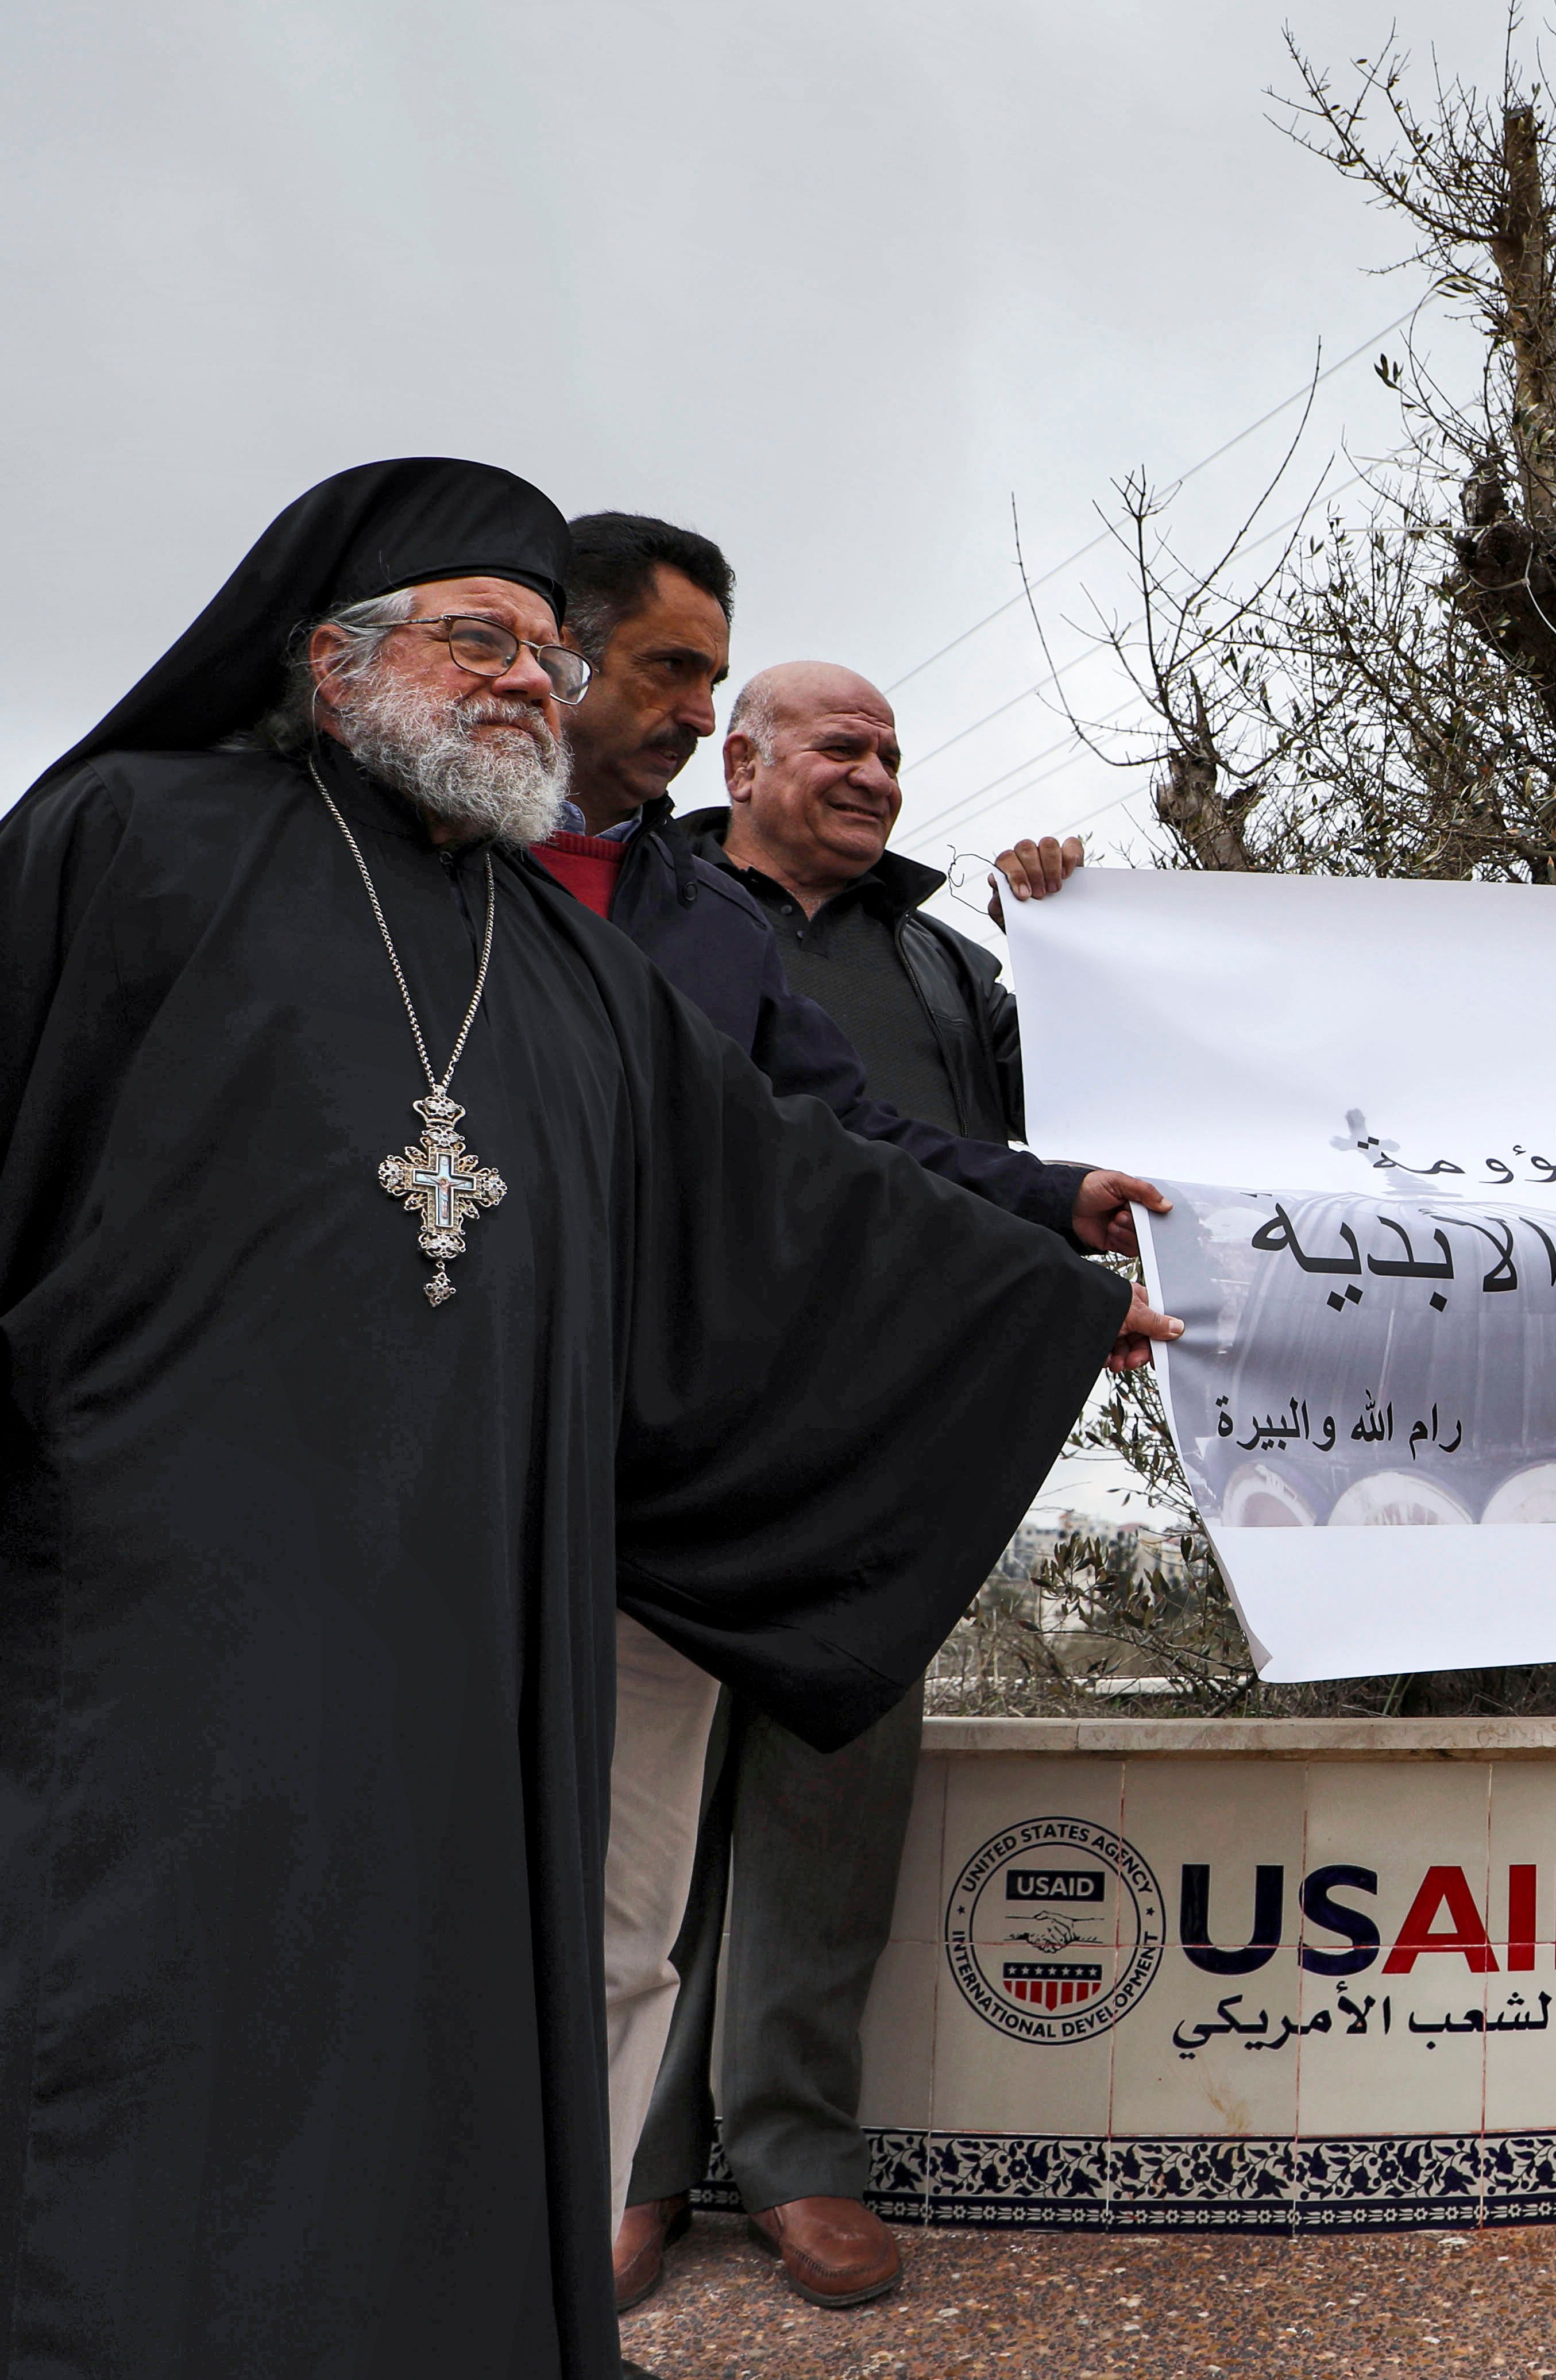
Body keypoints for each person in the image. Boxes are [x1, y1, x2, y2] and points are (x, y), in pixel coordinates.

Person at [0, 458, 1168, 2378]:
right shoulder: (135, 839)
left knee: (453, 2009)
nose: (529, 680)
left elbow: (782, 1180)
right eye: (482, 636)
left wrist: (1039, 1284)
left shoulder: (567, 967)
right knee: (171, 2017)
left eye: (548, 648)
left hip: (478, 1600)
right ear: (328, 656)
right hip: (160, 1605)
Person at [545, 523, 1168, 2317]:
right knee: (628, 1836)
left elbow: (959, 1146)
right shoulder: (601, 890)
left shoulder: (956, 970)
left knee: (828, 1810)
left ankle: (799, 2159)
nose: (878, 780)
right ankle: (630, 2177)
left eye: (896, 758)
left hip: (869, 1454)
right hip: (650, 1444)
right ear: (739, 757)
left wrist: (1076, 939)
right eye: (841, 749)